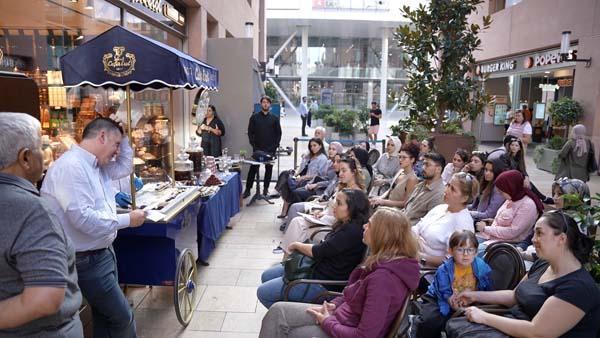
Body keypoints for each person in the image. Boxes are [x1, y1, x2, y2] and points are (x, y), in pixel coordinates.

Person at [41, 116, 146, 338]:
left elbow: (126, 166)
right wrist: (128, 220)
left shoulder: (97, 165)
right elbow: (84, 219)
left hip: (102, 254)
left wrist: (123, 136)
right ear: (101, 137)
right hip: (85, 260)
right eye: (116, 145)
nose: (118, 151)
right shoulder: (71, 167)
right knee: (121, 316)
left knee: (105, 317)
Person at [259, 207, 420, 338]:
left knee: (287, 330)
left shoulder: (383, 280)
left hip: (344, 327)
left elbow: (365, 335)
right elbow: (352, 294)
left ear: (382, 235)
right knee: (278, 311)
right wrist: (334, 305)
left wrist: (328, 322)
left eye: (370, 225)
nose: (364, 226)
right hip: (341, 318)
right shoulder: (382, 263)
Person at [452, 211, 600, 338]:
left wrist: (484, 317)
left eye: (540, 233)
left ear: (561, 238)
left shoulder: (578, 287)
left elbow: (536, 332)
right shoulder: (543, 264)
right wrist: (474, 295)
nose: (533, 239)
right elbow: (515, 295)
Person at [0, 113, 83, 337]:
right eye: (41, 147)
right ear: (25, 158)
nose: (46, 155)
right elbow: (44, 298)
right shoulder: (30, 210)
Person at [257, 189, 370, 308]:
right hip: (316, 267)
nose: (334, 206)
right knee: (266, 275)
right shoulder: (346, 224)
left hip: (323, 283)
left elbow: (318, 251)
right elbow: (325, 249)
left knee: (263, 293)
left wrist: (296, 245)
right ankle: (287, 308)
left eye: (339, 203)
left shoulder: (351, 231)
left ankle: (286, 316)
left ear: (353, 208)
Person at [413, 230, 493, 338]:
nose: (465, 254)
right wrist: (450, 300)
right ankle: (416, 328)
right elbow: (444, 290)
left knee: (473, 325)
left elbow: (487, 285)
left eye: (470, 250)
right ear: (450, 251)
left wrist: (478, 298)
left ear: (476, 252)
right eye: (460, 250)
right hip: (440, 298)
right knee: (431, 320)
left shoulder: (481, 267)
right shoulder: (445, 269)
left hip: (469, 300)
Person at [277, 157, 365, 254]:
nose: (340, 174)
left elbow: (347, 221)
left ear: (354, 172)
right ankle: (288, 256)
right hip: (326, 220)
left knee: (298, 225)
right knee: (296, 221)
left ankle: (289, 255)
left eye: (344, 171)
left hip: (333, 227)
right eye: (339, 171)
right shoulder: (342, 187)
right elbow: (331, 206)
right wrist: (322, 213)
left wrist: (325, 216)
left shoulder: (356, 194)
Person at [413, 172, 478, 268]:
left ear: (464, 198)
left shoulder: (463, 225)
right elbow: (416, 228)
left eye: (453, 189)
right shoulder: (440, 208)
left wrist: (420, 257)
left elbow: (452, 261)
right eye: (448, 185)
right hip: (411, 255)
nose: (446, 190)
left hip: (427, 272)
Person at [475, 170, 543, 250]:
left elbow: (512, 232)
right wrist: (493, 221)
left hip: (506, 243)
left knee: (472, 251)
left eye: (502, 190)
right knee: (465, 242)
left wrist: (485, 228)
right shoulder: (512, 197)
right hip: (491, 237)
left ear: (511, 187)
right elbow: (508, 220)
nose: (500, 193)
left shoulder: (528, 205)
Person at [277, 138, 329, 218]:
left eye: (315, 145)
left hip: (308, 181)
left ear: (320, 146)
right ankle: (286, 210)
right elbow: (301, 168)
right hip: (301, 178)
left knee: (288, 185)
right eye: (311, 146)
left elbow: (320, 175)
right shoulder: (309, 156)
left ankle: (284, 207)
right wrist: (295, 174)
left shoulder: (322, 158)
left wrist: (304, 177)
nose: (312, 148)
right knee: (285, 174)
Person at [244, 96, 283, 197]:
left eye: (267, 102)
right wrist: (254, 145)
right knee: (253, 169)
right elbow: (250, 133)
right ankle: (248, 190)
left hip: (270, 149)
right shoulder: (254, 117)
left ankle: (265, 189)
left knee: (268, 169)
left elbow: (278, 134)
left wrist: (275, 147)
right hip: (257, 149)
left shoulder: (274, 118)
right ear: (261, 104)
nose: (265, 104)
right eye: (263, 102)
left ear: (270, 105)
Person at [500, 136, 553, 204]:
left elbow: (523, 170)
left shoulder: (518, 157)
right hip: (507, 180)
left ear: (519, 148)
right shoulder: (504, 156)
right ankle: (543, 199)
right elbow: (507, 171)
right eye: (512, 145)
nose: (514, 147)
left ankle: (541, 200)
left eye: (516, 145)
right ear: (509, 146)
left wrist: (526, 177)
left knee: (528, 184)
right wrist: (522, 178)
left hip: (516, 179)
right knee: (528, 186)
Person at [370, 142, 420, 209]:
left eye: (404, 157)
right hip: (387, 207)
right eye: (400, 157)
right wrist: (379, 199)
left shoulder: (412, 179)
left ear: (412, 159)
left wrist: (383, 202)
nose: (400, 160)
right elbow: (390, 190)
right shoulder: (401, 171)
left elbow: (405, 203)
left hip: (396, 213)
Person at [402, 152, 446, 226]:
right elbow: (408, 209)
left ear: (438, 169)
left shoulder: (439, 194)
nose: (423, 168)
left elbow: (427, 225)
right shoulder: (422, 184)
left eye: (427, 165)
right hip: (401, 221)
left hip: (409, 230)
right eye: (423, 164)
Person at [469, 158, 508, 223]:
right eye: (486, 170)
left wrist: (468, 213)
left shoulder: (498, 189)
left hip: (484, 223)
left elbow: (489, 215)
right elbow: (474, 206)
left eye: (491, 171)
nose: (487, 173)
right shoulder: (485, 182)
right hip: (476, 216)